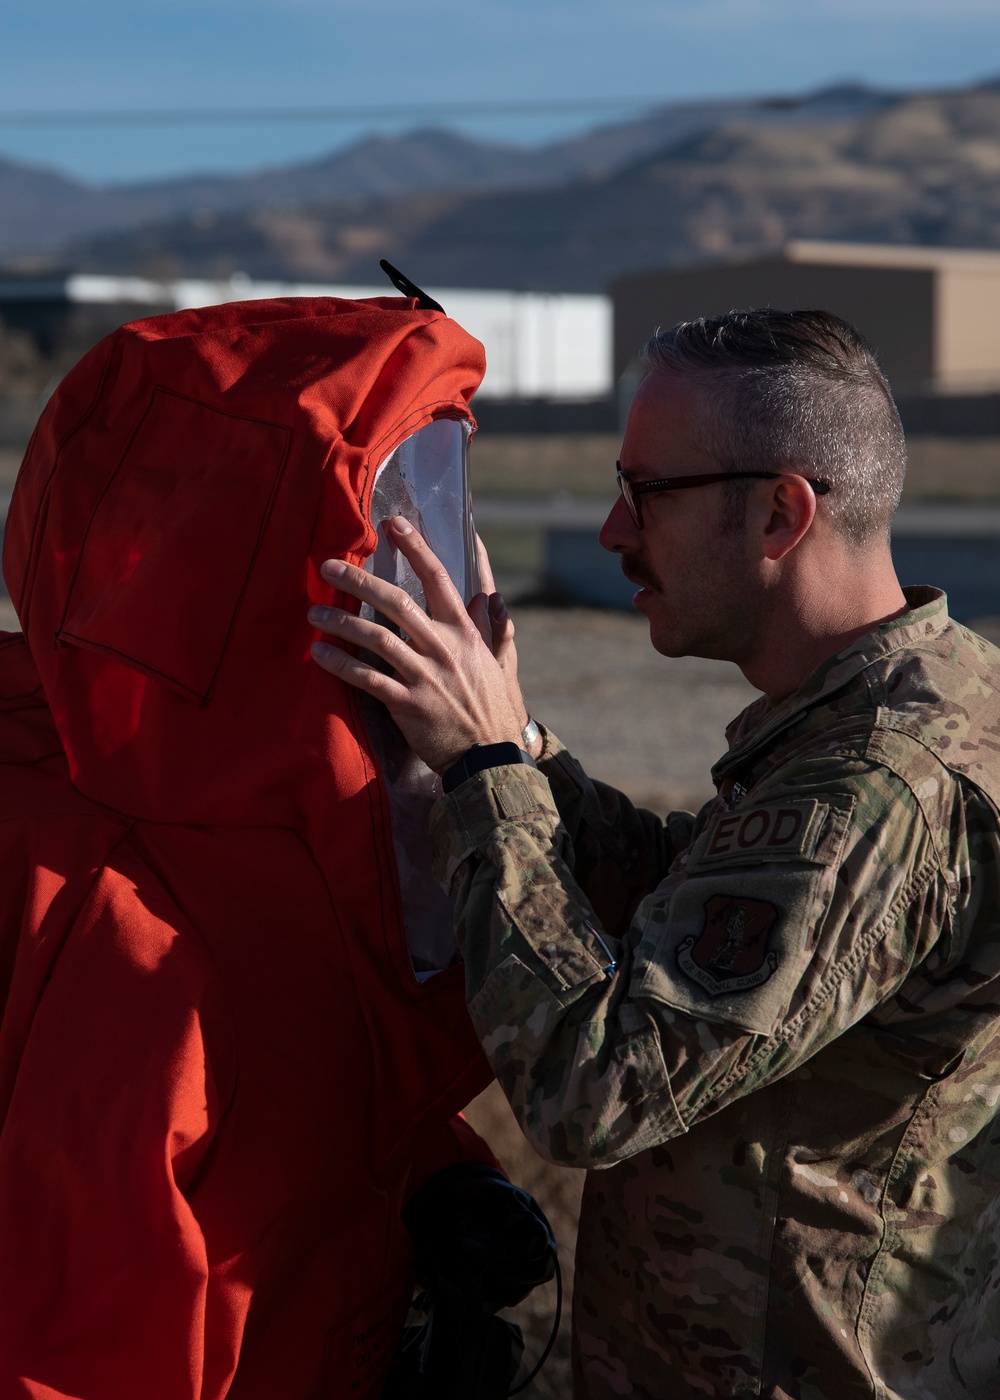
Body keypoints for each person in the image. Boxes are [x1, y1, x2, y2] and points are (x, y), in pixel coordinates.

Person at [309, 308, 1000, 1400]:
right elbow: (698, 892)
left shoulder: (879, 783)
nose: (610, 531)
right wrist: (519, 744)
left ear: (781, 511)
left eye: (646, 492)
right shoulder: (898, 701)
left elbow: (590, 1088)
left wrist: (488, 769)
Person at [0, 290, 553, 1399]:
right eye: (396, 525)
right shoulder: (138, 943)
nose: (448, 584)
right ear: (270, 573)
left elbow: (330, 1088)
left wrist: (444, 1180)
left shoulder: (296, 836)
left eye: (440, 508)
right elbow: (83, 1349)